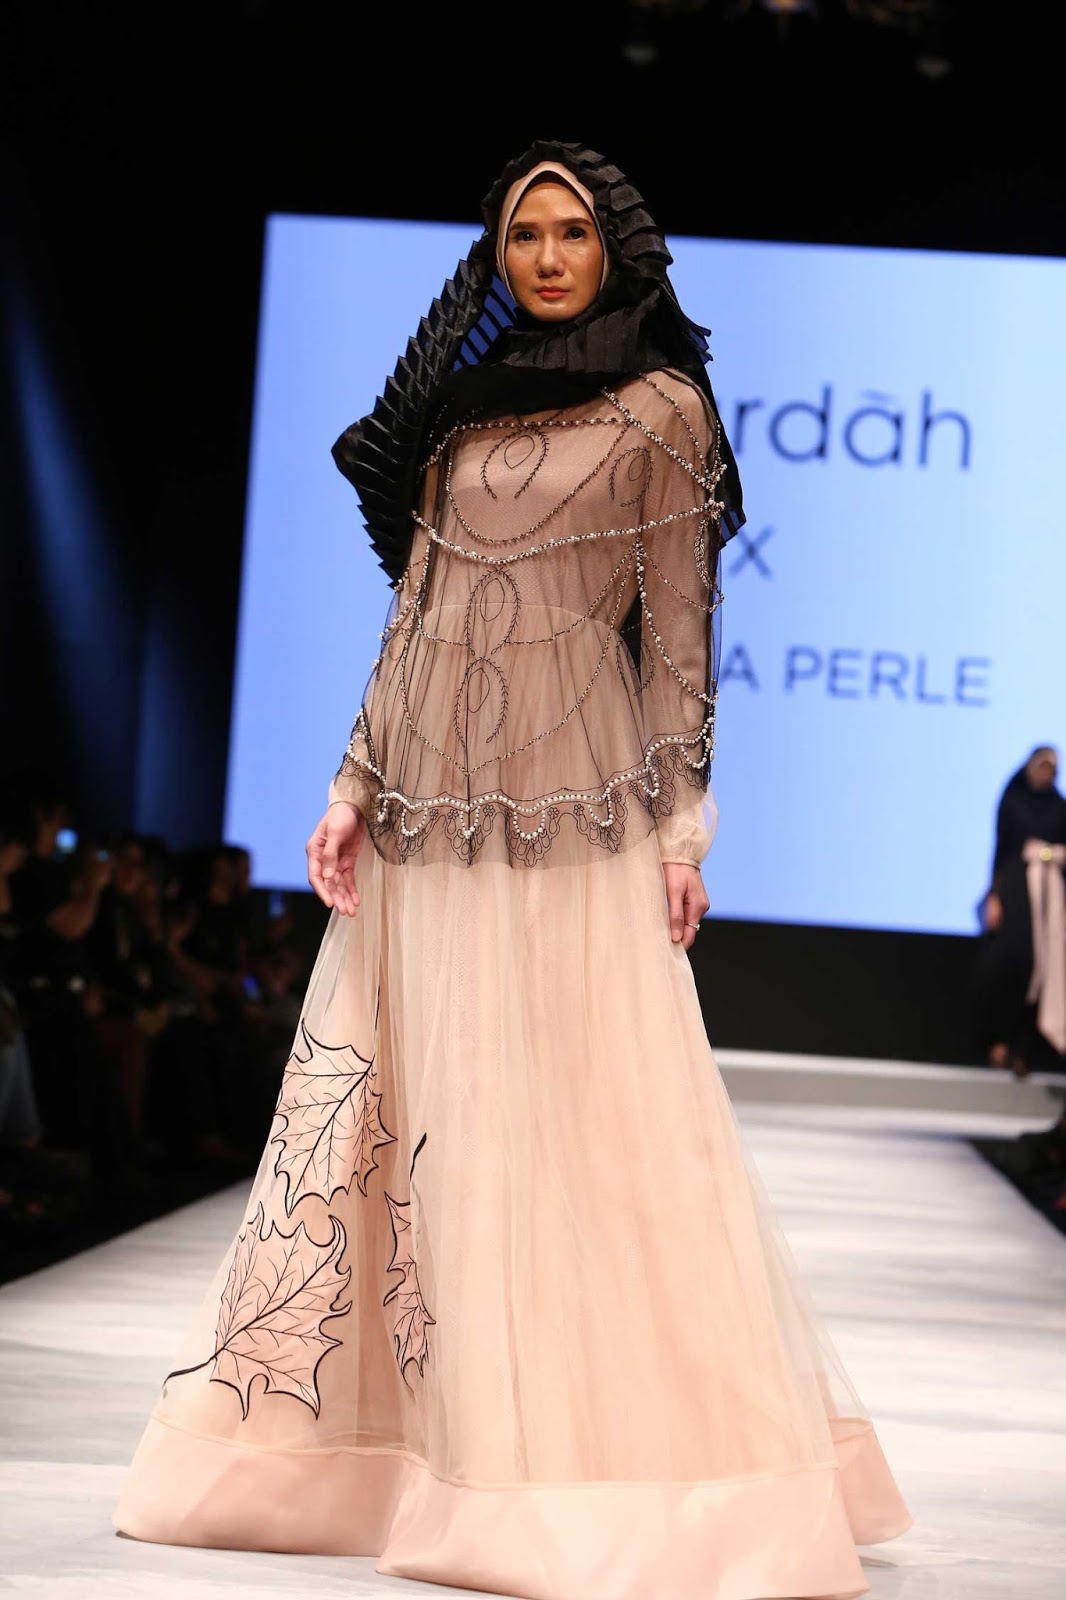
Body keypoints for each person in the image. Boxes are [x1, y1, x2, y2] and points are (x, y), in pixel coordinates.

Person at [113, 140, 911, 1599]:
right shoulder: (461, 401)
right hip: (425, 801)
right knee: (419, 1117)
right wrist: (351, 780)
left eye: (571, 233)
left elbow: (679, 635)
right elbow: (416, 605)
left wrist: (682, 828)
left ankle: (588, 1464)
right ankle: (393, 1460)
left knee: (577, 1118)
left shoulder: (662, 406)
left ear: (618, 248)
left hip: (574, 804)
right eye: (523, 235)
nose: (546, 258)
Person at [975, 745, 1066, 1078]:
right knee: (1015, 962)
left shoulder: (1060, 807)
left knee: (1048, 971)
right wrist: (994, 894)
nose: (1046, 774)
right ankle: (999, 1040)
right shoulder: (1013, 801)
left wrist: (1050, 856)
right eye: (1041, 766)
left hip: (1052, 898)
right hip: (1016, 892)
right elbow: (1000, 850)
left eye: (1051, 768)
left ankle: (1027, 1051)